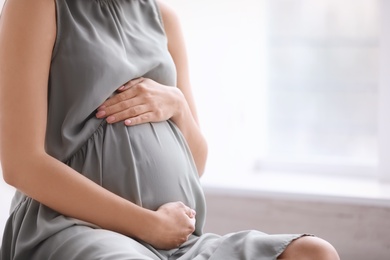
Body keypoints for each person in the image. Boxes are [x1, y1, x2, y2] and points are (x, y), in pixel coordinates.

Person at [0, 0, 340, 259]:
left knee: (314, 253)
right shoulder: (37, 5)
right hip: (72, 227)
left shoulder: (164, 18)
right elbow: (21, 165)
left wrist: (177, 105)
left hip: (178, 241)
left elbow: (198, 162)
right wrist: (149, 225)